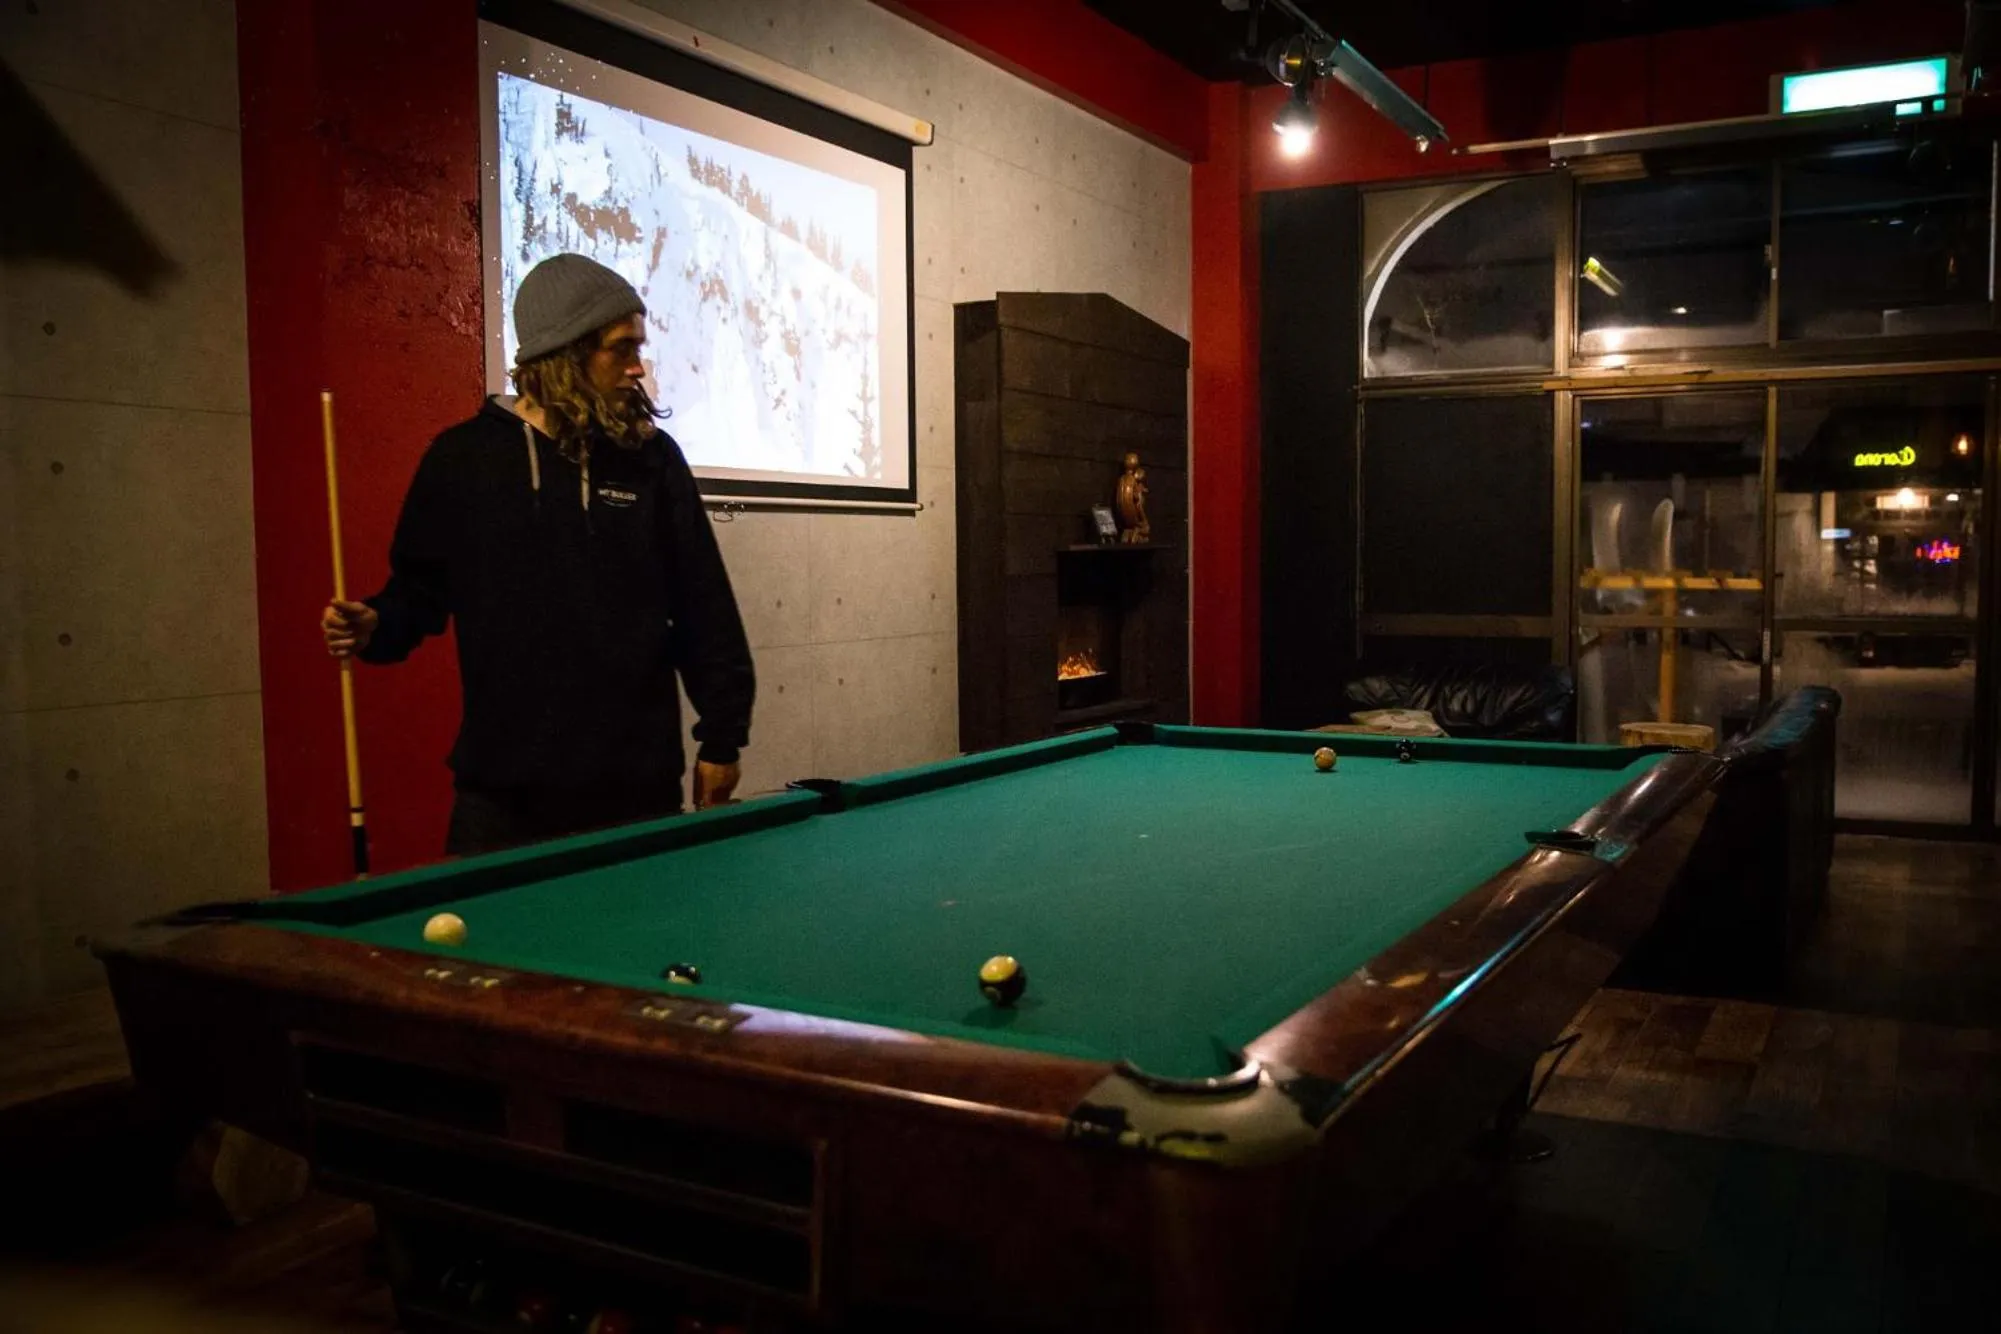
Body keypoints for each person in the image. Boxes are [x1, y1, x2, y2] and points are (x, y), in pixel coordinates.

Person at [321, 254, 755, 856]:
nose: (638, 367)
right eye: (621, 348)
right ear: (565, 353)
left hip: (635, 788)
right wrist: (375, 624)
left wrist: (722, 739)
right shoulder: (462, 460)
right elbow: (417, 596)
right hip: (503, 797)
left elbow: (703, 608)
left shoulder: (651, 459)